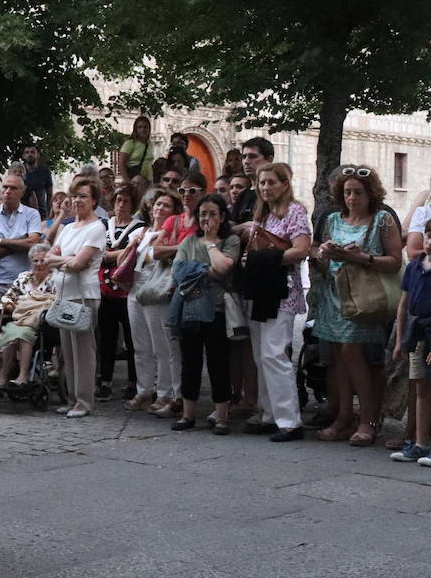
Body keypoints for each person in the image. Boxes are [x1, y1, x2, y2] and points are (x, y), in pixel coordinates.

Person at [308, 165, 401, 446]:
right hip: (334, 295)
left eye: (358, 192)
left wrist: (363, 258)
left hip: (364, 297)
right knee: (338, 356)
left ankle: (367, 420)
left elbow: (396, 260)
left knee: (351, 352)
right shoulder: (333, 220)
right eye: (347, 192)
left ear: (370, 193)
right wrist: (323, 253)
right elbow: (319, 257)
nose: (352, 198)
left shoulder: (382, 219)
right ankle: (344, 416)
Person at [243, 161, 311, 442]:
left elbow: (301, 249)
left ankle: (290, 421)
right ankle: (269, 414)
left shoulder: (294, 211)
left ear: (285, 184)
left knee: (274, 354)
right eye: (262, 182)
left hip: (281, 289)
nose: (265, 187)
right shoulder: (264, 215)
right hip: (262, 288)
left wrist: (263, 260)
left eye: (271, 182)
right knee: (262, 355)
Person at [169, 194, 240, 433]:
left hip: (217, 310)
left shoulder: (230, 241)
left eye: (211, 214)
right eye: (202, 214)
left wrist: (210, 244)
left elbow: (223, 268)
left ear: (221, 217)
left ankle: (221, 416)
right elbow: (178, 272)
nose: (206, 219)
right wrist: (205, 270)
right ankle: (188, 415)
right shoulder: (188, 242)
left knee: (218, 363)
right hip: (189, 309)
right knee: (190, 362)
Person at [44, 179, 107, 417]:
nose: (78, 201)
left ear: (93, 201)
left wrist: (64, 261)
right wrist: (66, 261)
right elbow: (50, 256)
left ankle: (85, 400)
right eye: (75, 196)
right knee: (67, 351)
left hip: (84, 295)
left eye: (83, 196)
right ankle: (71, 398)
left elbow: (80, 264)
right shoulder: (68, 228)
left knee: (83, 350)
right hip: (64, 294)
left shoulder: (97, 228)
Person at [126, 190, 184, 414]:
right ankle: (144, 390)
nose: (159, 209)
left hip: (157, 291)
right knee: (140, 346)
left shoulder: (169, 233)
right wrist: (133, 245)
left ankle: (165, 394)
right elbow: (124, 261)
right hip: (135, 290)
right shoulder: (141, 231)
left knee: (163, 346)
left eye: (166, 205)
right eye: (157, 204)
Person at [97, 187, 145, 400]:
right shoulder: (103, 226)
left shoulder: (139, 228)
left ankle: (133, 382)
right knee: (107, 338)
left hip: (126, 291)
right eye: (117, 200)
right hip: (104, 290)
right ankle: (105, 380)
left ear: (132, 204)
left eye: (125, 201)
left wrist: (109, 255)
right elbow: (96, 251)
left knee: (132, 338)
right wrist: (113, 255)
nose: (121, 205)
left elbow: (131, 255)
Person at [0, 174, 43, 338]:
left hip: (25, 282)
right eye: (5, 187)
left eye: (13, 188)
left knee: (25, 328)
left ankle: (22, 362)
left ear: (22, 192)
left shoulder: (32, 214)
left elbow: (33, 245)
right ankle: (2, 362)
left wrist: (0, 241)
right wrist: (20, 243)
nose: (8, 191)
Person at [391, 215, 431, 463]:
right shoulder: (415, 266)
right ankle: (420, 443)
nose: (430, 243)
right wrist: (399, 341)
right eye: (429, 236)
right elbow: (403, 305)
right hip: (416, 336)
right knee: (420, 388)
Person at [0, 244, 58, 387]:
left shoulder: (55, 280)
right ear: (30, 262)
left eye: (43, 260)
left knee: (23, 334)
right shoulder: (23, 277)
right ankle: (2, 377)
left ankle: (23, 376)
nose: (39, 264)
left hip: (38, 323)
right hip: (19, 319)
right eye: (35, 261)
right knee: (8, 333)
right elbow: (6, 297)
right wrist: (15, 306)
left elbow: (56, 303)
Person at [118, 116, 154, 182]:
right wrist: (128, 182)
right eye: (140, 127)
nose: (143, 129)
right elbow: (121, 163)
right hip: (134, 180)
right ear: (135, 129)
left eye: (145, 127)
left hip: (148, 181)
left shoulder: (150, 144)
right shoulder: (130, 143)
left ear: (149, 129)